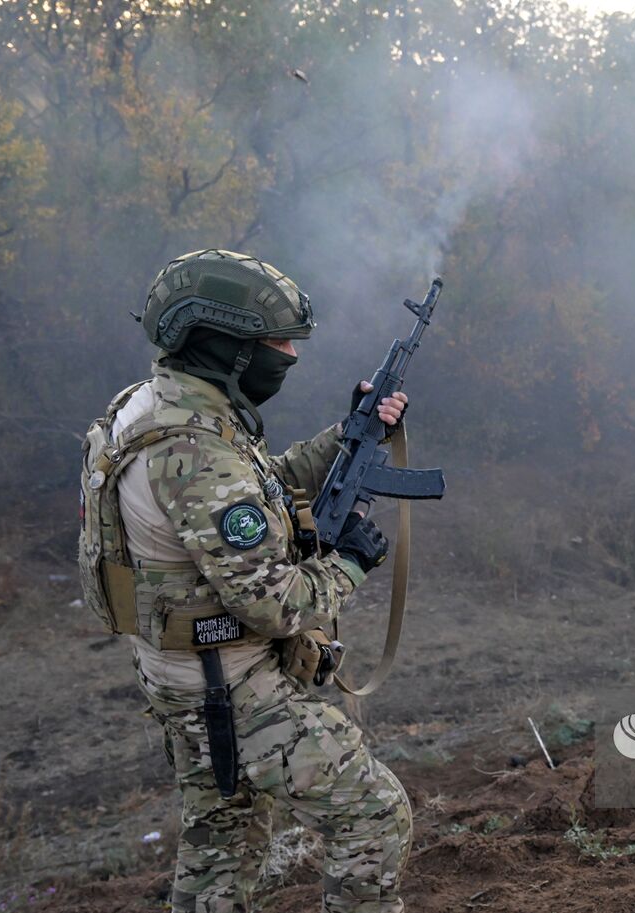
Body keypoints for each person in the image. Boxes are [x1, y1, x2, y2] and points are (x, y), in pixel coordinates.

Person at [78, 249, 411, 912]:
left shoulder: (158, 407)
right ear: (225, 347)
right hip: (229, 684)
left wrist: (349, 435)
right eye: (275, 343)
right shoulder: (192, 447)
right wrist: (347, 564)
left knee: (221, 846)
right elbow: (273, 602)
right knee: (374, 815)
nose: (288, 354)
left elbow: (262, 489)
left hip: (185, 671)